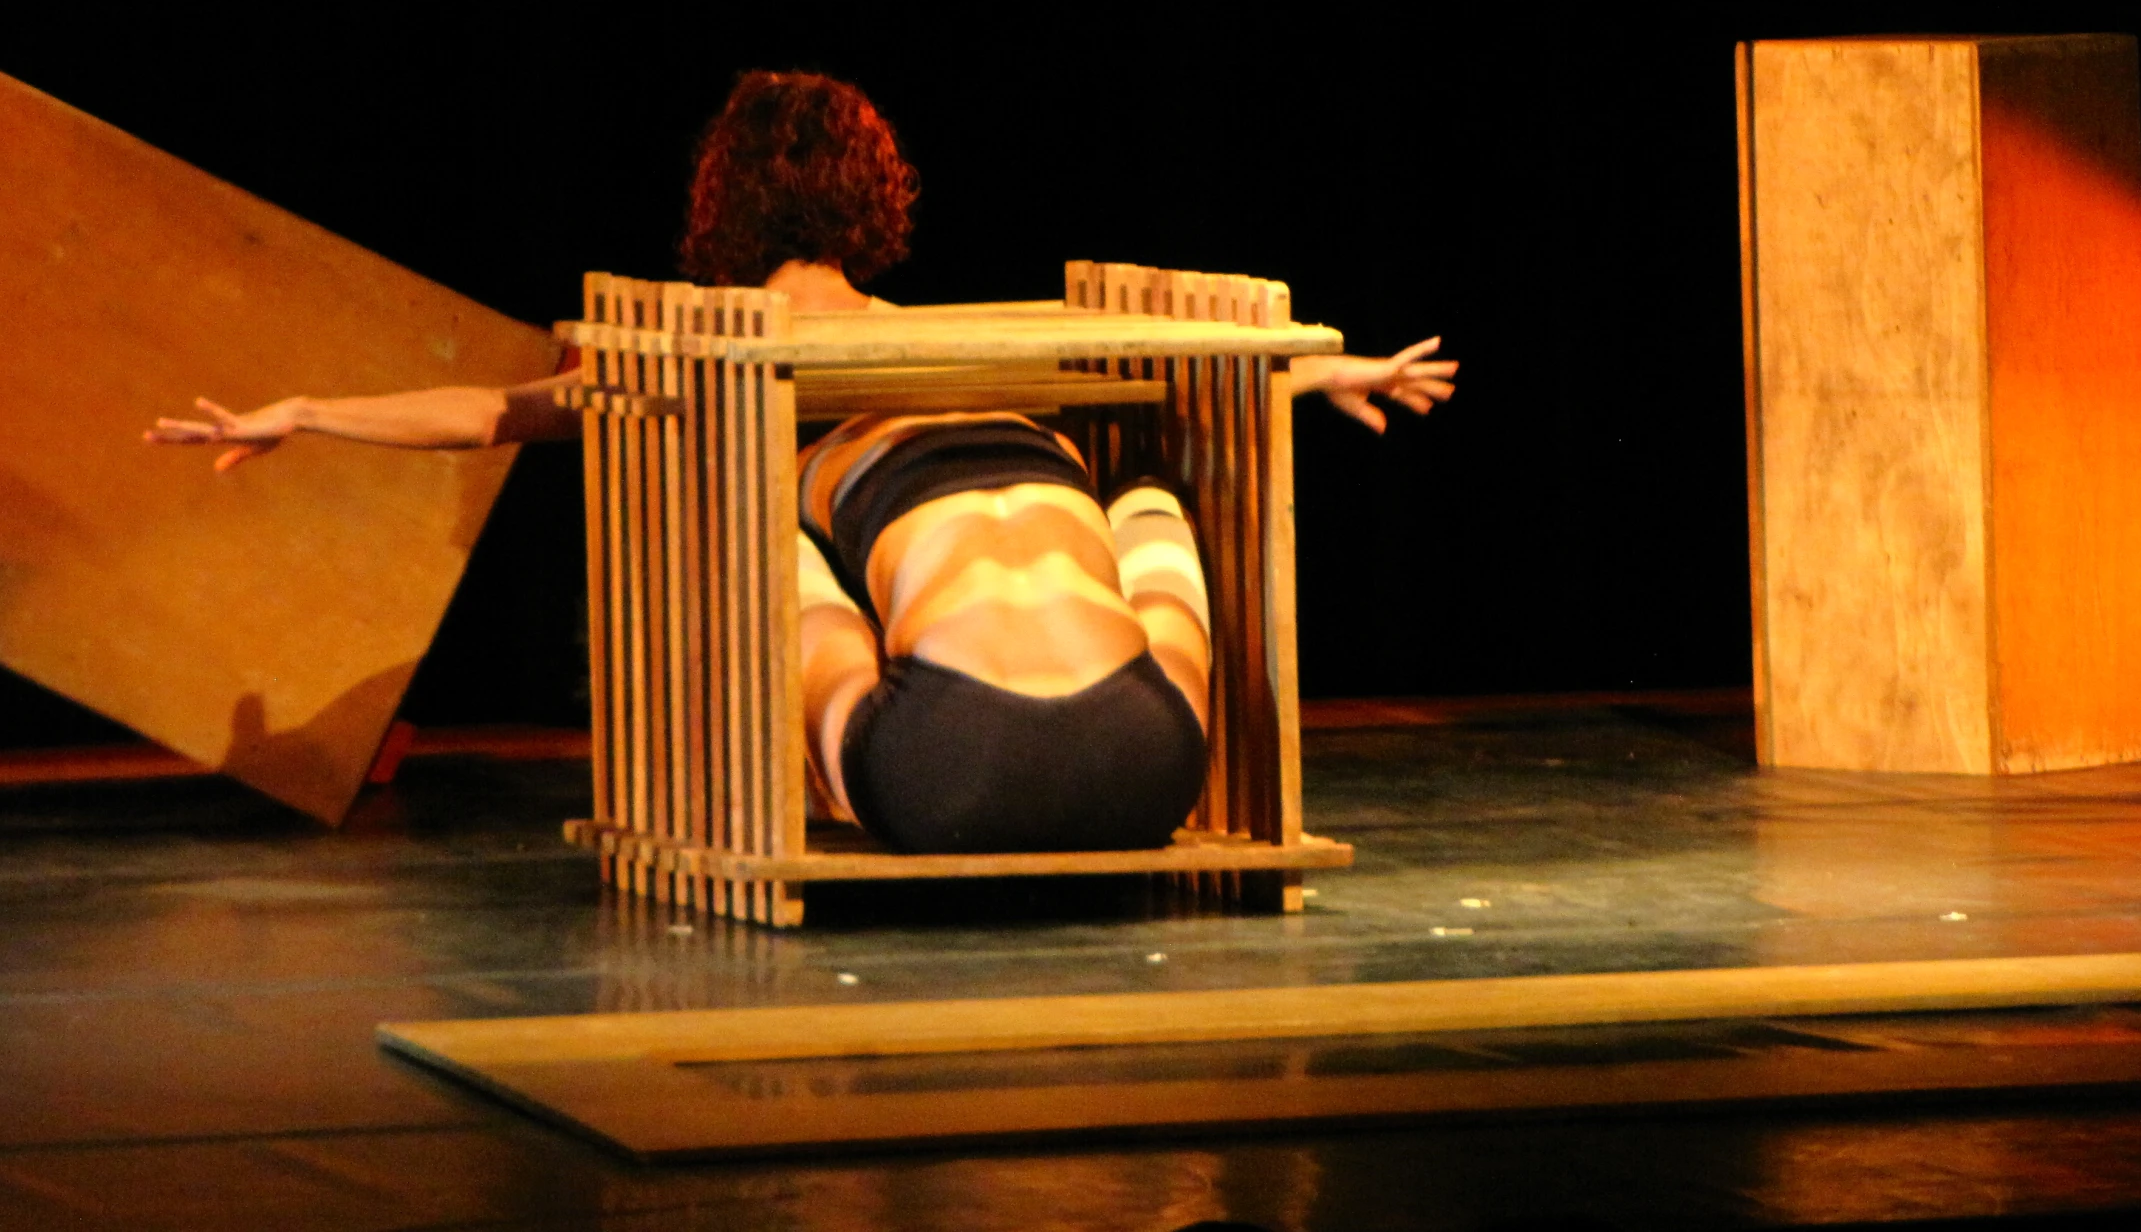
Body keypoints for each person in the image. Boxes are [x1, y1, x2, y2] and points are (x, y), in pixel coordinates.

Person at [149, 70, 1457, 851]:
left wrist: (306, 409)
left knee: (753, 521)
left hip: (942, 773)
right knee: (1142, 486)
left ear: (722, 204)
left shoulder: (720, 355)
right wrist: (1334, 368)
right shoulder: (970, 346)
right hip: (1152, 761)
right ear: (872, 199)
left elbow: (495, 415)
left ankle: (825, 766)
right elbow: (1202, 364)